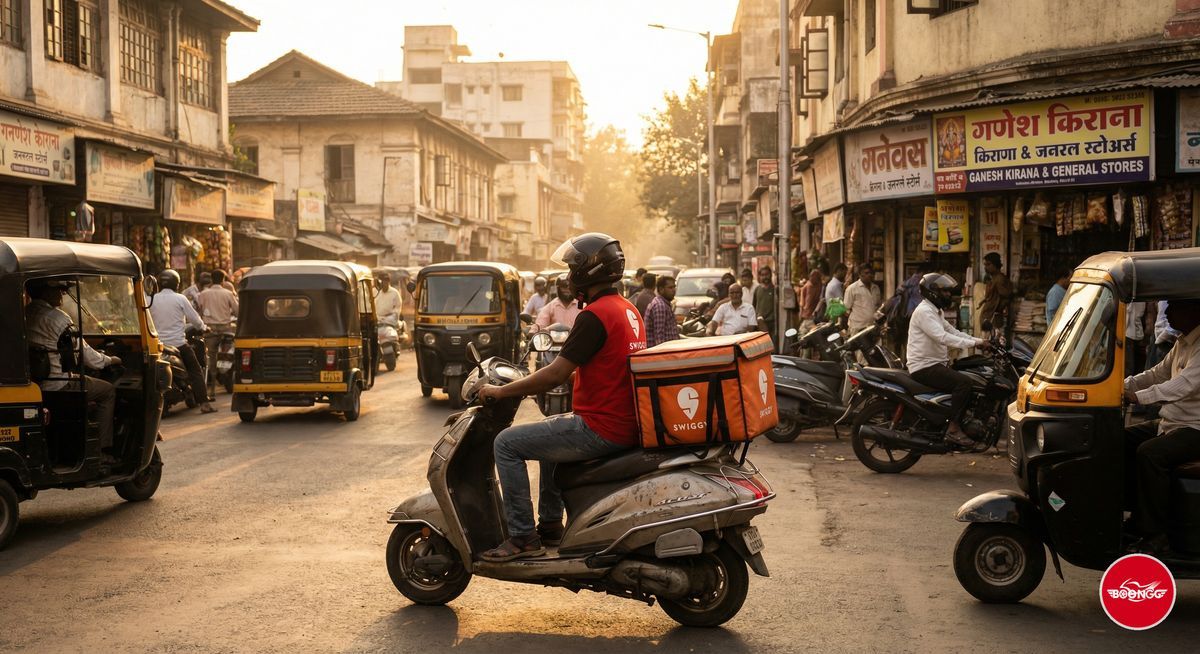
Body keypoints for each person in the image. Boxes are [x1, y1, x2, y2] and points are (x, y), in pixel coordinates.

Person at [477, 233, 645, 561]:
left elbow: (554, 373)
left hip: (601, 426)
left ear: (588, 271)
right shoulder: (627, 310)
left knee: (506, 444)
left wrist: (501, 391)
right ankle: (551, 524)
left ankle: (522, 537)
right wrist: (571, 377)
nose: (568, 276)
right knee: (549, 434)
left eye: (571, 268)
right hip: (624, 421)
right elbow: (608, 366)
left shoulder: (594, 315)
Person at [1123, 299, 1200, 555]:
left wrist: (1139, 397)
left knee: (1150, 454)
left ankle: (1156, 534)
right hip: (1172, 422)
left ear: (1193, 310)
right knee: (1121, 439)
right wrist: (1122, 386)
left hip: (1194, 427)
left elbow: (1183, 385)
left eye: (1175, 307)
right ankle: (1137, 516)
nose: (1168, 312)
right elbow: (1156, 374)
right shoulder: (1182, 342)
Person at [25, 279, 122, 461]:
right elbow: (89, 358)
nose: (63, 293)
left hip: (34, 385)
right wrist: (110, 360)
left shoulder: (24, 314)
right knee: (108, 391)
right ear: (45, 291)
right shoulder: (58, 318)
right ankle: (101, 452)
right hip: (58, 385)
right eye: (59, 289)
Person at [906, 273, 991, 446]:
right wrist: (973, 344)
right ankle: (953, 429)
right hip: (924, 367)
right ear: (932, 292)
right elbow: (943, 337)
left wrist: (979, 341)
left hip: (935, 364)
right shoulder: (924, 312)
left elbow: (953, 332)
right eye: (944, 292)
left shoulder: (936, 311)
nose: (948, 295)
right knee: (964, 383)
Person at [148, 270, 214, 413]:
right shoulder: (180, 298)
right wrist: (204, 328)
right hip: (178, 344)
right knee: (195, 371)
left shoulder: (150, 299)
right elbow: (196, 320)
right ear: (176, 284)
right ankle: (204, 404)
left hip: (157, 345)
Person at [196, 269, 239, 396]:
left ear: (211, 280)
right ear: (223, 280)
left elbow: (198, 311)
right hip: (226, 329)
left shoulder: (203, 294)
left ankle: (212, 390)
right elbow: (237, 311)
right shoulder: (228, 293)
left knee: (211, 357)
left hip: (210, 330)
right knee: (232, 351)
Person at [843, 264, 882, 334]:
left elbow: (878, 306)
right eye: (866, 273)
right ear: (860, 274)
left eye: (871, 273)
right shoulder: (852, 288)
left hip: (873, 327)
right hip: (858, 328)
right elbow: (846, 309)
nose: (870, 275)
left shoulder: (876, 288)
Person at [978, 252, 1013, 331]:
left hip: (993, 319)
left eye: (988, 264)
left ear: (995, 264)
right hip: (989, 318)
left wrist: (997, 311)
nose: (986, 267)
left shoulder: (999, 279)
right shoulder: (993, 279)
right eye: (985, 265)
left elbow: (1006, 296)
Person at [645, 275, 680, 348]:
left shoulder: (664, 303)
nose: (674, 290)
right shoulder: (660, 306)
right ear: (661, 289)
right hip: (663, 351)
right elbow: (659, 337)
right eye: (670, 287)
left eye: (674, 287)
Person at [753, 266, 777, 344]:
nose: (765, 277)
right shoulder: (757, 289)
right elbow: (754, 305)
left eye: (767, 274)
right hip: (759, 323)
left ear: (771, 275)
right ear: (759, 276)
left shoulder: (775, 290)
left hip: (772, 323)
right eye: (762, 275)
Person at [1126, 301, 1148, 378]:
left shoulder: (1132, 300)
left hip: (1129, 334)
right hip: (1137, 335)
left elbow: (1130, 315)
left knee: (1129, 370)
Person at [799, 269, 823, 335]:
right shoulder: (809, 286)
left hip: (811, 316)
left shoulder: (816, 286)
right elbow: (804, 303)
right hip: (808, 316)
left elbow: (806, 303)